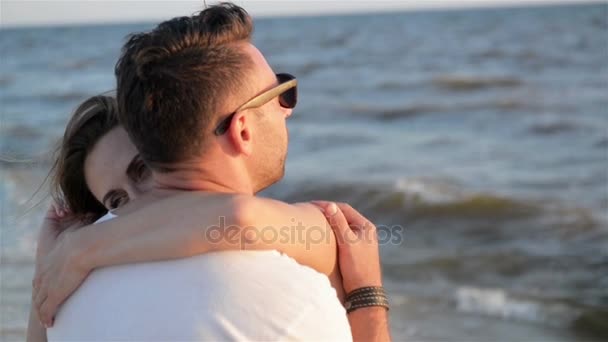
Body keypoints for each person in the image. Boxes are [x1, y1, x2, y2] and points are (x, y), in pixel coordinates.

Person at [32, 3, 391, 341]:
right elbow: (243, 218)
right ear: (243, 129)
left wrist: (70, 252)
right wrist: (368, 298)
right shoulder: (290, 292)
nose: (287, 110)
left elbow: (246, 219)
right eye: (283, 94)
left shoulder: (65, 286)